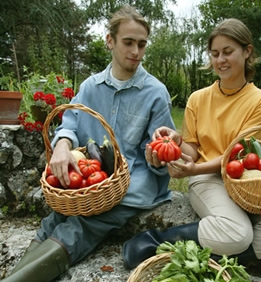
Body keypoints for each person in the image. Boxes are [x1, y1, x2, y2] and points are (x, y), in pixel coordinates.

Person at [3, 5, 176, 282]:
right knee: (55, 218)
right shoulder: (90, 87)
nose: (136, 51)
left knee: (83, 223)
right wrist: (61, 145)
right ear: (110, 41)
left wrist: (158, 155)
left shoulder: (155, 92)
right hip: (97, 177)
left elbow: (160, 150)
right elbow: (69, 124)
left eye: (142, 44)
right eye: (128, 42)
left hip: (134, 180)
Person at [123, 18, 261, 269]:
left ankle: (208, 258)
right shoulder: (198, 99)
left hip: (247, 180)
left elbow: (240, 154)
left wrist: (194, 167)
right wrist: (177, 144)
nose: (220, 60)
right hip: (208, 180)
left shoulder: (260, 101)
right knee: (238, 233)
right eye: (215, 54)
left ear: (247, 51)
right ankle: (153, 242)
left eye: (228, 52)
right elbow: (192, 148)